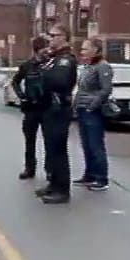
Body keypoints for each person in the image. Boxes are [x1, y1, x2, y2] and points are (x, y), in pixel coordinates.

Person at [35, 24, 78, 204]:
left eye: (54, 35)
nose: (50, 38)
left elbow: (59, 81)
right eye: (50, 35)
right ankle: (53, 183)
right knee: (50, 149)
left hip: (58, 108)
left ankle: (62, 189)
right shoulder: (54, 58)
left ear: (64, 37)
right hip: (48, 108)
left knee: (58, 150)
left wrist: (45, 72)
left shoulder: (66, 60)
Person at [73, 36, 113, 191]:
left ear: (95, 50)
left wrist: (92, 106)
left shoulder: (103, 66)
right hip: (82, 109)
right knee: (87, 145)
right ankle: (89, 175)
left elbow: (106, 89)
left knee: (96, 145)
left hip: (93, 111)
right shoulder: (87, 66)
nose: (82, 51)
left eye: (85, 48)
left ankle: (101, 178)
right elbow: (81, 89)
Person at [11, 36, 49, 180]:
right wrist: (22, 96)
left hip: (46, 107)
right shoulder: (27, 66)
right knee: (30, 140)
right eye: (44, 49)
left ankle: (50, 170)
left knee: (48, 141)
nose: (46, 51)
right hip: (31, 108)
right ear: (37, 50)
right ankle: (29, 168)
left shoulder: (50, 65)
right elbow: (15, 82)